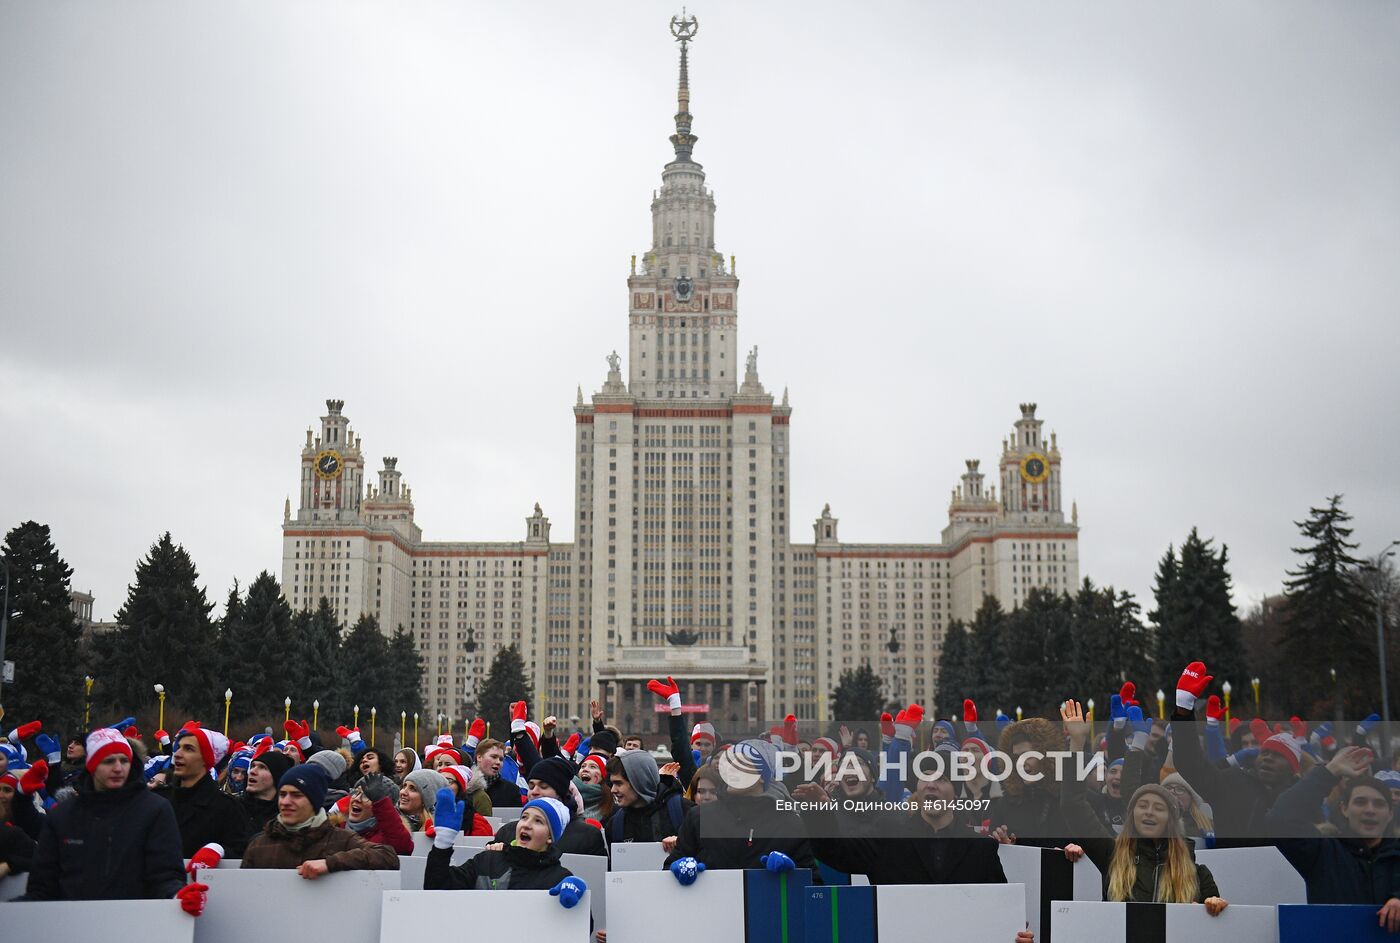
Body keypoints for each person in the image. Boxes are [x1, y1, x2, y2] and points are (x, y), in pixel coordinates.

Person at [1060, 701, 1227, 914]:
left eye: (1158, 807)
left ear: (1171, 819)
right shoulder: (1113, 856)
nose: (1149, 811)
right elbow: (1073, 805)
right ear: (1132, 815)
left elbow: (1215, 928)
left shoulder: (1198, 874)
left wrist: (1215, 906)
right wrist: (1076, 743)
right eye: (1142, 805)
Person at [21, 728, 207, 917]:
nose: (118, 768)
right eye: (109, 761)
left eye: (124, 760)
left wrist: (177, 895)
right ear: (92, 765)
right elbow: (42, 885)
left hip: (135, 924)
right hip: (72, 925)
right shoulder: (63, 815)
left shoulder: (155, 810)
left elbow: (165, 875)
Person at [792, 742, 1007, 885]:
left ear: (955, 791)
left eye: (941, 779)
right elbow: (836, 853)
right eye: (925, 778)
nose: (931, 786)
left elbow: (999, 909)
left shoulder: (981, 849)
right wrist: (820, 812)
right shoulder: (889, 836)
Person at [1265, 744, 1400, 928]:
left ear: (1390, 814)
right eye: (1360, 802)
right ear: (1344, 809)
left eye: (1379, 804)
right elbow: (1280, 819)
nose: (1370, 810)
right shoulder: (1323, 852)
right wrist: (1329, 772)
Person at [1170, 660, 1304, 843]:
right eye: (1264, 753)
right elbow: (1190, 763)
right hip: (1233, 869)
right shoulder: (1231, 782)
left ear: (1293, 769)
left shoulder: (1302, 799)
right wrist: (1184, 710)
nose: (1268, 759)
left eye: (1278, 756)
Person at [666, 740, 814, 874]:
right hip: (711, 903)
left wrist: (793, 874)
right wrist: (678, 869)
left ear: (762, 776)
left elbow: (812, 880)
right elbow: (669, 869)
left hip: (766, 903)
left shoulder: (789, 823)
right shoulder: (699, 816)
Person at [426, 793, 586, 908]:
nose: (526, 824)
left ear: (550, 837)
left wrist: (578, 896)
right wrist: (443, 844)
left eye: (538, 821)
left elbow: (579, 928)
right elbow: (438, 889)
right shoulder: (487, 860)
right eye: (524, 817)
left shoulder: (559, 877)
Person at [242, 764, 399, 874]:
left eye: (297, 795)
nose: (286, 802)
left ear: (314, 801)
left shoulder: (340, 840)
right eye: (282, 794)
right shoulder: (259, 845)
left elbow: (387, 857)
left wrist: (330, 863)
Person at [159, 725, 250, 858]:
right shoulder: (160, 799)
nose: (177, 754)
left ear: (205, 758)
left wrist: (219, 851)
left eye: (188, 749)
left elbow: (240, 854)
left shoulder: (227, 808)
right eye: (178, 747)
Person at [493, 756, 605, 856]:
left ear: (561, 793)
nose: (534, 792)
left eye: (544, 786)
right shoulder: (508, 832)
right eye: (531, 787)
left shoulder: (587, 836)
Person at [604, 749, 691, 844]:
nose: (613, 790)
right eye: (612, 783)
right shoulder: (615, 825)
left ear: (638, 782)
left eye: (619, 783)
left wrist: (683, 844)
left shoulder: (684, 811)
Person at [342, 772, 413, 855]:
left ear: (380, 804)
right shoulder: (337, 825)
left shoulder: (386, 837)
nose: (357, 799)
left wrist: (381, 803)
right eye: (356, 792)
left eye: (366, 796)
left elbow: (403, 847)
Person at [240, 749, 295, 836]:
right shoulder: (235, 808)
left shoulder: (286, 818)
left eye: (262, 767)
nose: (252, 771)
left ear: (277, 775)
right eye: (253, 766)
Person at [476, 739, 524, 809]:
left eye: (501, 759)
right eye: (494, 757)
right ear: (479, 757)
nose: (498, 762)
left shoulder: (511, 791)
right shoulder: (465, 786)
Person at [399, 767, 447, 832]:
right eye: (404, 786)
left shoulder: (441, 829)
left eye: (413, 789)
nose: (403, 792)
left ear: (427, 798)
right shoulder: (389, 820)